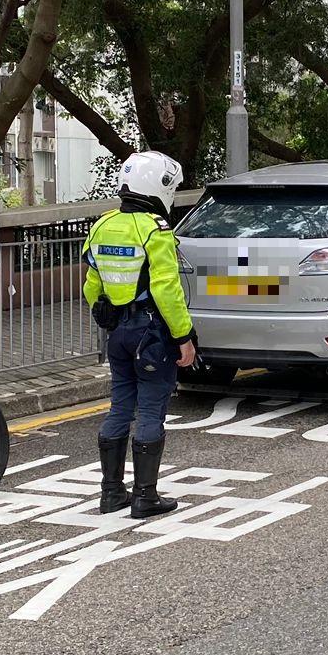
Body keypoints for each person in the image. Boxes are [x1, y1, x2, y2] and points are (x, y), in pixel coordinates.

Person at [82, 150, 197, 517]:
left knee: (119, 407)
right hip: (151, 335)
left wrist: (107, 310)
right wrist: (184, 336)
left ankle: (111, 493)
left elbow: (91, 285)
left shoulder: (103, 224)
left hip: (117, 333)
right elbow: (166, 289)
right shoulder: (155, 229)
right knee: (149, 410)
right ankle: (145, 496)